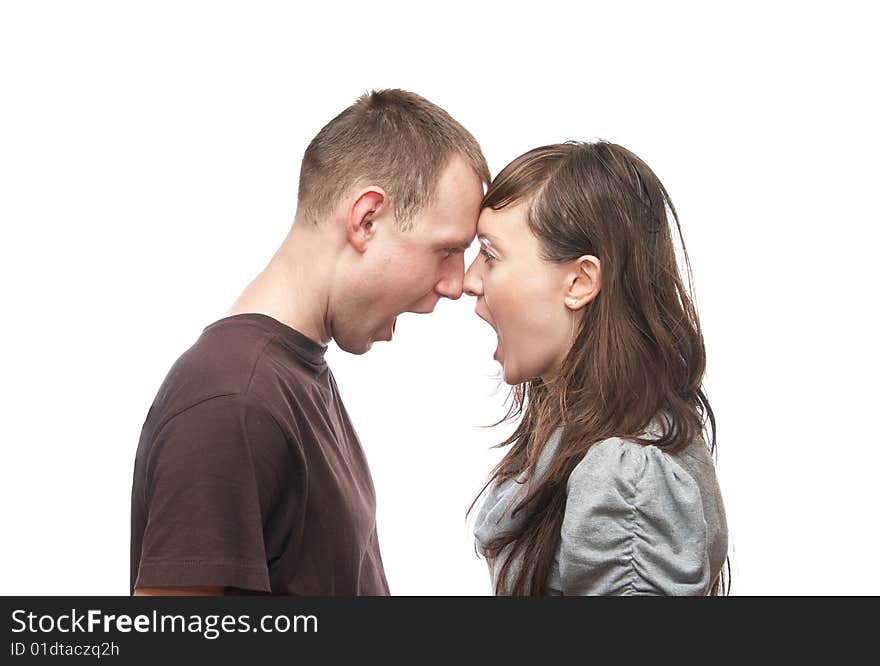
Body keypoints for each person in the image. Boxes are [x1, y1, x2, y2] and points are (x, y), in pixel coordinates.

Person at [130, 89, 488, 595]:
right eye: (447, 250)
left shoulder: (288, 376)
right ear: (367, 220)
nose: (456, 284)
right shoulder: (233, 400)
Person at [465, 141, 729, 595]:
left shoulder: (627, 476)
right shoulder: (577, 440)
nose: (469, 280)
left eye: (490, 255)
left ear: (580, 281)